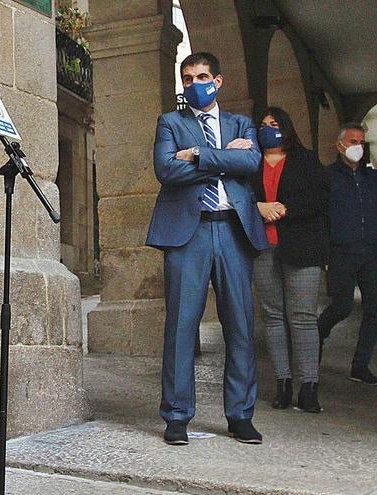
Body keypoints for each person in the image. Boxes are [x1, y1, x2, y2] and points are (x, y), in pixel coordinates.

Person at [148, 52, 269, 445]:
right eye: (187, 78)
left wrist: (198, 154)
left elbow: (251, 163)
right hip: (189, 233)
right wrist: (224, 158)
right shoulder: (171, 122)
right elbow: (166, 170)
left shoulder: (241, 123)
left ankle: (240, 415)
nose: (193, 84)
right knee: (181, 327)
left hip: (233, 230)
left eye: (201, 76)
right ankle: (177, 417)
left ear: (217, 81)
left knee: (240, 326)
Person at [251, 107, 329, 413]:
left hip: (302, 247)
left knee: (303, 317)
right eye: (263, 125)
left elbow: (322, 198)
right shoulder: (251, 163)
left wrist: (286, 209)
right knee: (273, 317)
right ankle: (283, 382)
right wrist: (257, 206)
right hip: (263, 248)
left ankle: (309, 385)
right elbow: (239, 195)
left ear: (287, 128)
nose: (268, 129)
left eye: (274, 124)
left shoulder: (306, 160)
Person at [317, 123, 377, 386]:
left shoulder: (375, 179)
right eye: (352, 141)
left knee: (375, 310)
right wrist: (325, 254)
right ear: (340, 145)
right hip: (341, 253)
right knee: (342, 306)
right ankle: (315, 338)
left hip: (372, 254)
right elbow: (322, 218)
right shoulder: (327, 177)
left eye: (361, 141)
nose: (357, 146)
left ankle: (360, 366)